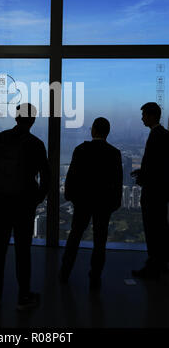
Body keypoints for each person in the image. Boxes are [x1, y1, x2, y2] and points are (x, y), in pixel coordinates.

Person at [0, 103, 50, 310]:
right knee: (23, 250)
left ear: (15, 117)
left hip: (2, 202)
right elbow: (46, 176)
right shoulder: (35, 144)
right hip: (24, 203)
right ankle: (23, 296)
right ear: (33, 120)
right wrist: (37, 198)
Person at [59, 117, 123, 289]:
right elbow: (117, 182)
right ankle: (95, 278)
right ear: (107, 132)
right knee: (100, 241)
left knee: (75, 236)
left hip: (82, 202)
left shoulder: (81, 149)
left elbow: (71, 176)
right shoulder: (114, 153)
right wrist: (115, 203)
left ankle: (65, 272)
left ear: (93, 130)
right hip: (104, 203)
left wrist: (70, 196)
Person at [131, 102, 169, 279]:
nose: (142, 118)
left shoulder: (157, 136)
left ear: (152, 116)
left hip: (153, 192)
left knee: (153, 228)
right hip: (160, 191)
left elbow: (155, 167)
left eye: (144, 115)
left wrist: (143, 176)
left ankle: (154, 265)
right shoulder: (163, 134)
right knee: (160, 228)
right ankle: (159, 263)